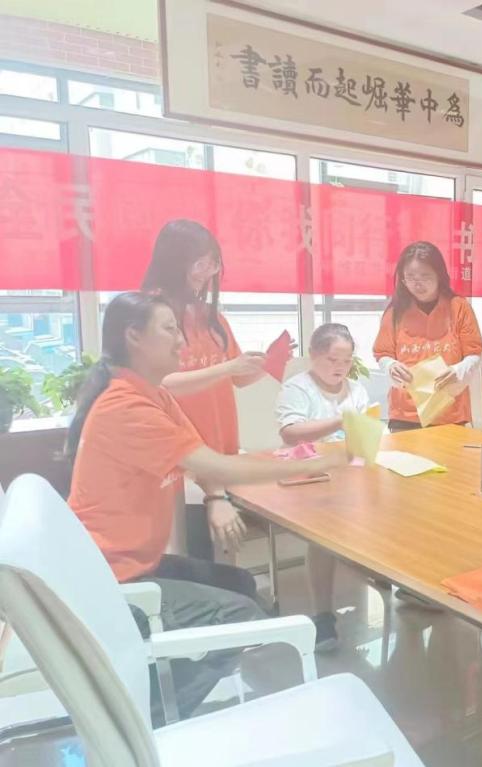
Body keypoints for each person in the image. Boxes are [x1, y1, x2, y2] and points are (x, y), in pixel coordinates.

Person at [67, 292, 348, 720]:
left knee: (240, 585)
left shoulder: (155, 396)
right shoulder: (126, 407)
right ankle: (146, 719)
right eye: (169, 329)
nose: (181, 341)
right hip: (110, 579)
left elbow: (201, 460)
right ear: (133, 337)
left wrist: (216, 497)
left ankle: (156, 692)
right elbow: (219, 465)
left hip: (133, 563)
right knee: (240, 615)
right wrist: (319, 461)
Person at [141, 219, 268, 561]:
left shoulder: (211, 317)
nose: (208, 272)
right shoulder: (151, 313)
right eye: (200, 263)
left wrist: (265, 364)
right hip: (179, 459)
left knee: (222, 552)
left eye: (213, 263)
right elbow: (160, 384)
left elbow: (237, 379)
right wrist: (228, 367)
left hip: (220, 451)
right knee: (191, 552)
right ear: (174, 260)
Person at [276, 323, 369, 650]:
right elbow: (289, 432)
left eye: (346, 361)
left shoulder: (356, 389)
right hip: (311, 477)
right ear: (313, 355)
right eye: (332, 360)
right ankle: (322, 614)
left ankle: (402, 585)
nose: (340, 367)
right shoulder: (297, 387)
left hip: (352, 474)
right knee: (323, 538)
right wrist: (339, 422)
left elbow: (362, 432)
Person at [373, 241, 482, 432]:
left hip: (450, 412)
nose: (418, 283)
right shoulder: (395, 312)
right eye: (410, 277)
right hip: (405, 414)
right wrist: (390, 365)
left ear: (439, 275)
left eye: (425, 276)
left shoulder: (458, 307)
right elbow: (382, 353)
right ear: (402, 279)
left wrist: (459, 370)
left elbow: (474, 353)